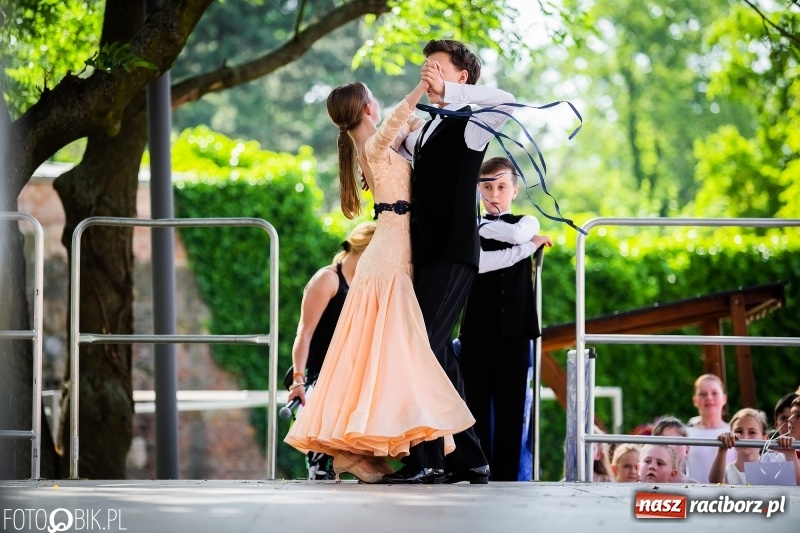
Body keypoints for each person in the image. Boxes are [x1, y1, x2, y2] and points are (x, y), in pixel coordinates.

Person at [284, 79, 476, 483]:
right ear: (367, 108)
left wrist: (437, 106)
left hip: (396, 253)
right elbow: (399, 121)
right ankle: (414, 452)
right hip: (389, 258)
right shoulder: (372, 145)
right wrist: (422, 87)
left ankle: (396, 449)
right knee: (403, 351)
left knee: (391, 353)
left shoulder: (372, 145)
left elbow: (410, 127)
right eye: (374, 99)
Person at [384, 39, 517, 485]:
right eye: (426, 66)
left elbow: (508, 100)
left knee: (417, 348)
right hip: (424, 255)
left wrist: (450, 93)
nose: (427, 72)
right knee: (439, 356)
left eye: (437, 67)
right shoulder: (423, 131)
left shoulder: (473, 124)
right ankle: (471, 459)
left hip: (454, 255)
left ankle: (426, 460)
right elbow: (387, 144)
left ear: (461, 77)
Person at [457, 157, 553, 481]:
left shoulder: (527, 223)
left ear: (514, 190)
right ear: (477, 190)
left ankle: (508, 479)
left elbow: (517, 233)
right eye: (487, 187)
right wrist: (528, 248)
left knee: (512, 410)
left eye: (501, 186)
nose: (494, 194)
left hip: (516, 330)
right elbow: (481, 264)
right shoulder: (471, 226)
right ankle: (476, 472)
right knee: (475, 408)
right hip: (477, 331)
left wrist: (526, 241)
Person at [285, 221, 376, 479]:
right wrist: (298, 380)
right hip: (320, 378)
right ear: (363, 247)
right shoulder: (327, 279)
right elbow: (304, 334)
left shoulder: (365, 285)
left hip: (348, 380)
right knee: (322, 466)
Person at [709, 408, 800, 485]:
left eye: (752, 432)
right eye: (738, 431)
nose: (745, 437)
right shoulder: (727, 471)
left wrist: (790, 453)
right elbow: (715, 483)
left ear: (764, 439)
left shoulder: (774, 465)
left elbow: (797, 485)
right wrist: (722, 448)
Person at [685, 374, 736, 483]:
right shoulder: (687, 433)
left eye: (714, 393)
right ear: (694, 400)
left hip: (728, 492)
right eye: (703, 394)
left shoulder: (733, 432)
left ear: (724, 399)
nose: (709, 398)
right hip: (695, 492)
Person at [651, 415, 697, 484]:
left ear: (686, 450)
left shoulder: (693, 485)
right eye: (664, 442)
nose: (670, 446)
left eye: (676, 441)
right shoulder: (646, 483)